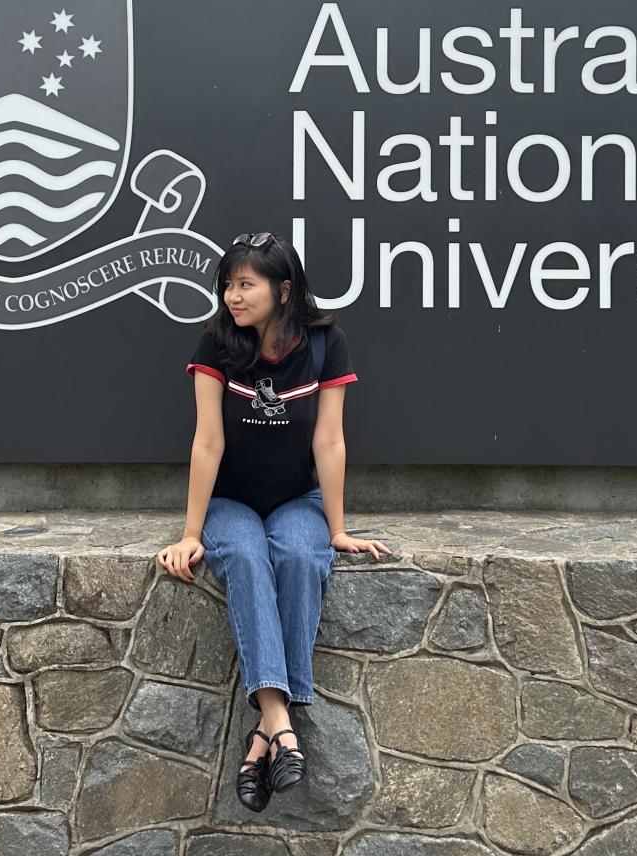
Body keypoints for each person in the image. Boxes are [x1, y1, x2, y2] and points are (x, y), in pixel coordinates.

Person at [155, 231, 390, 812]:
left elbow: (330, 440)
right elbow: (207, 442)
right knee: (244, 554)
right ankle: (280, 722)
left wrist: (336, 529)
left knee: (302, 555)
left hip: (297, 499)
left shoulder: (323, 343)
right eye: (228, 285)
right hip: (230, 501)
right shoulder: (216, 343)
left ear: (284, 290)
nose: (233, 296)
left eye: (246, 284)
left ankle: (264, 734)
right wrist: (190, 533)